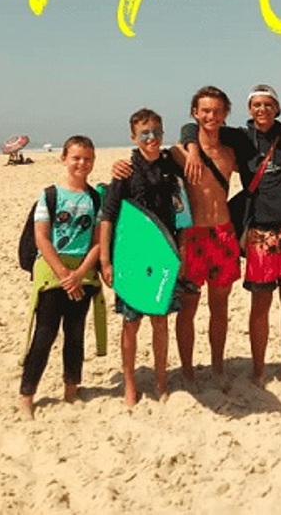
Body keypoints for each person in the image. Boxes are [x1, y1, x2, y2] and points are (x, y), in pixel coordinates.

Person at [180, 85, 281, 383]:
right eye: (256, 104)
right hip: (258, 233)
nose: (262, 110)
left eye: (268, 104)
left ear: (277, 108)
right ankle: (257, 370)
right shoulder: (240, 138)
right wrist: (191, 147)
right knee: (260, 305)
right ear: (249, 109)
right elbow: (194, 127)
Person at [100, 109, 186, 407]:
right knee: (131, 323)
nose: (151, 138)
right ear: (133, 137)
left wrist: (181, 252)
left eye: (156, 132)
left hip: (163, 256)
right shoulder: (124, 173)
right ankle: (130, 384)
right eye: (144, 134)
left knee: (160, 321)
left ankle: (161, 381)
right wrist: (105, 261)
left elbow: (181, 215)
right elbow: (108, 217)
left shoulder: (170, 169)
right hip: (131, 259)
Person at [18, 136, 102, 419]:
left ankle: (71, 389)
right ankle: (27, 395)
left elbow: (98, 242)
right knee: (44, 334)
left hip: (82, 273)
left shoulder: (95, 199)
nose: (82, 163)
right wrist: (64, 274)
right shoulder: (50, 195)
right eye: (76, 158)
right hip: (52, 274)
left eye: (87, 159)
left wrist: (79, 274)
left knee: (75, 334)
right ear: (64, 158)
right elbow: (42, 238)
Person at [169, 87, 241, 382]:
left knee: (220, 307)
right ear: (195, 113)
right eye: (205, 111)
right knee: (188, 307)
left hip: (223, 234)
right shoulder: (179, 152)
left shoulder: (230, 153)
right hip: (192, 236)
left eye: (217, 111)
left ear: (225, 114)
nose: (211, 116)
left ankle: (218, 366)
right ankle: (187, 370)